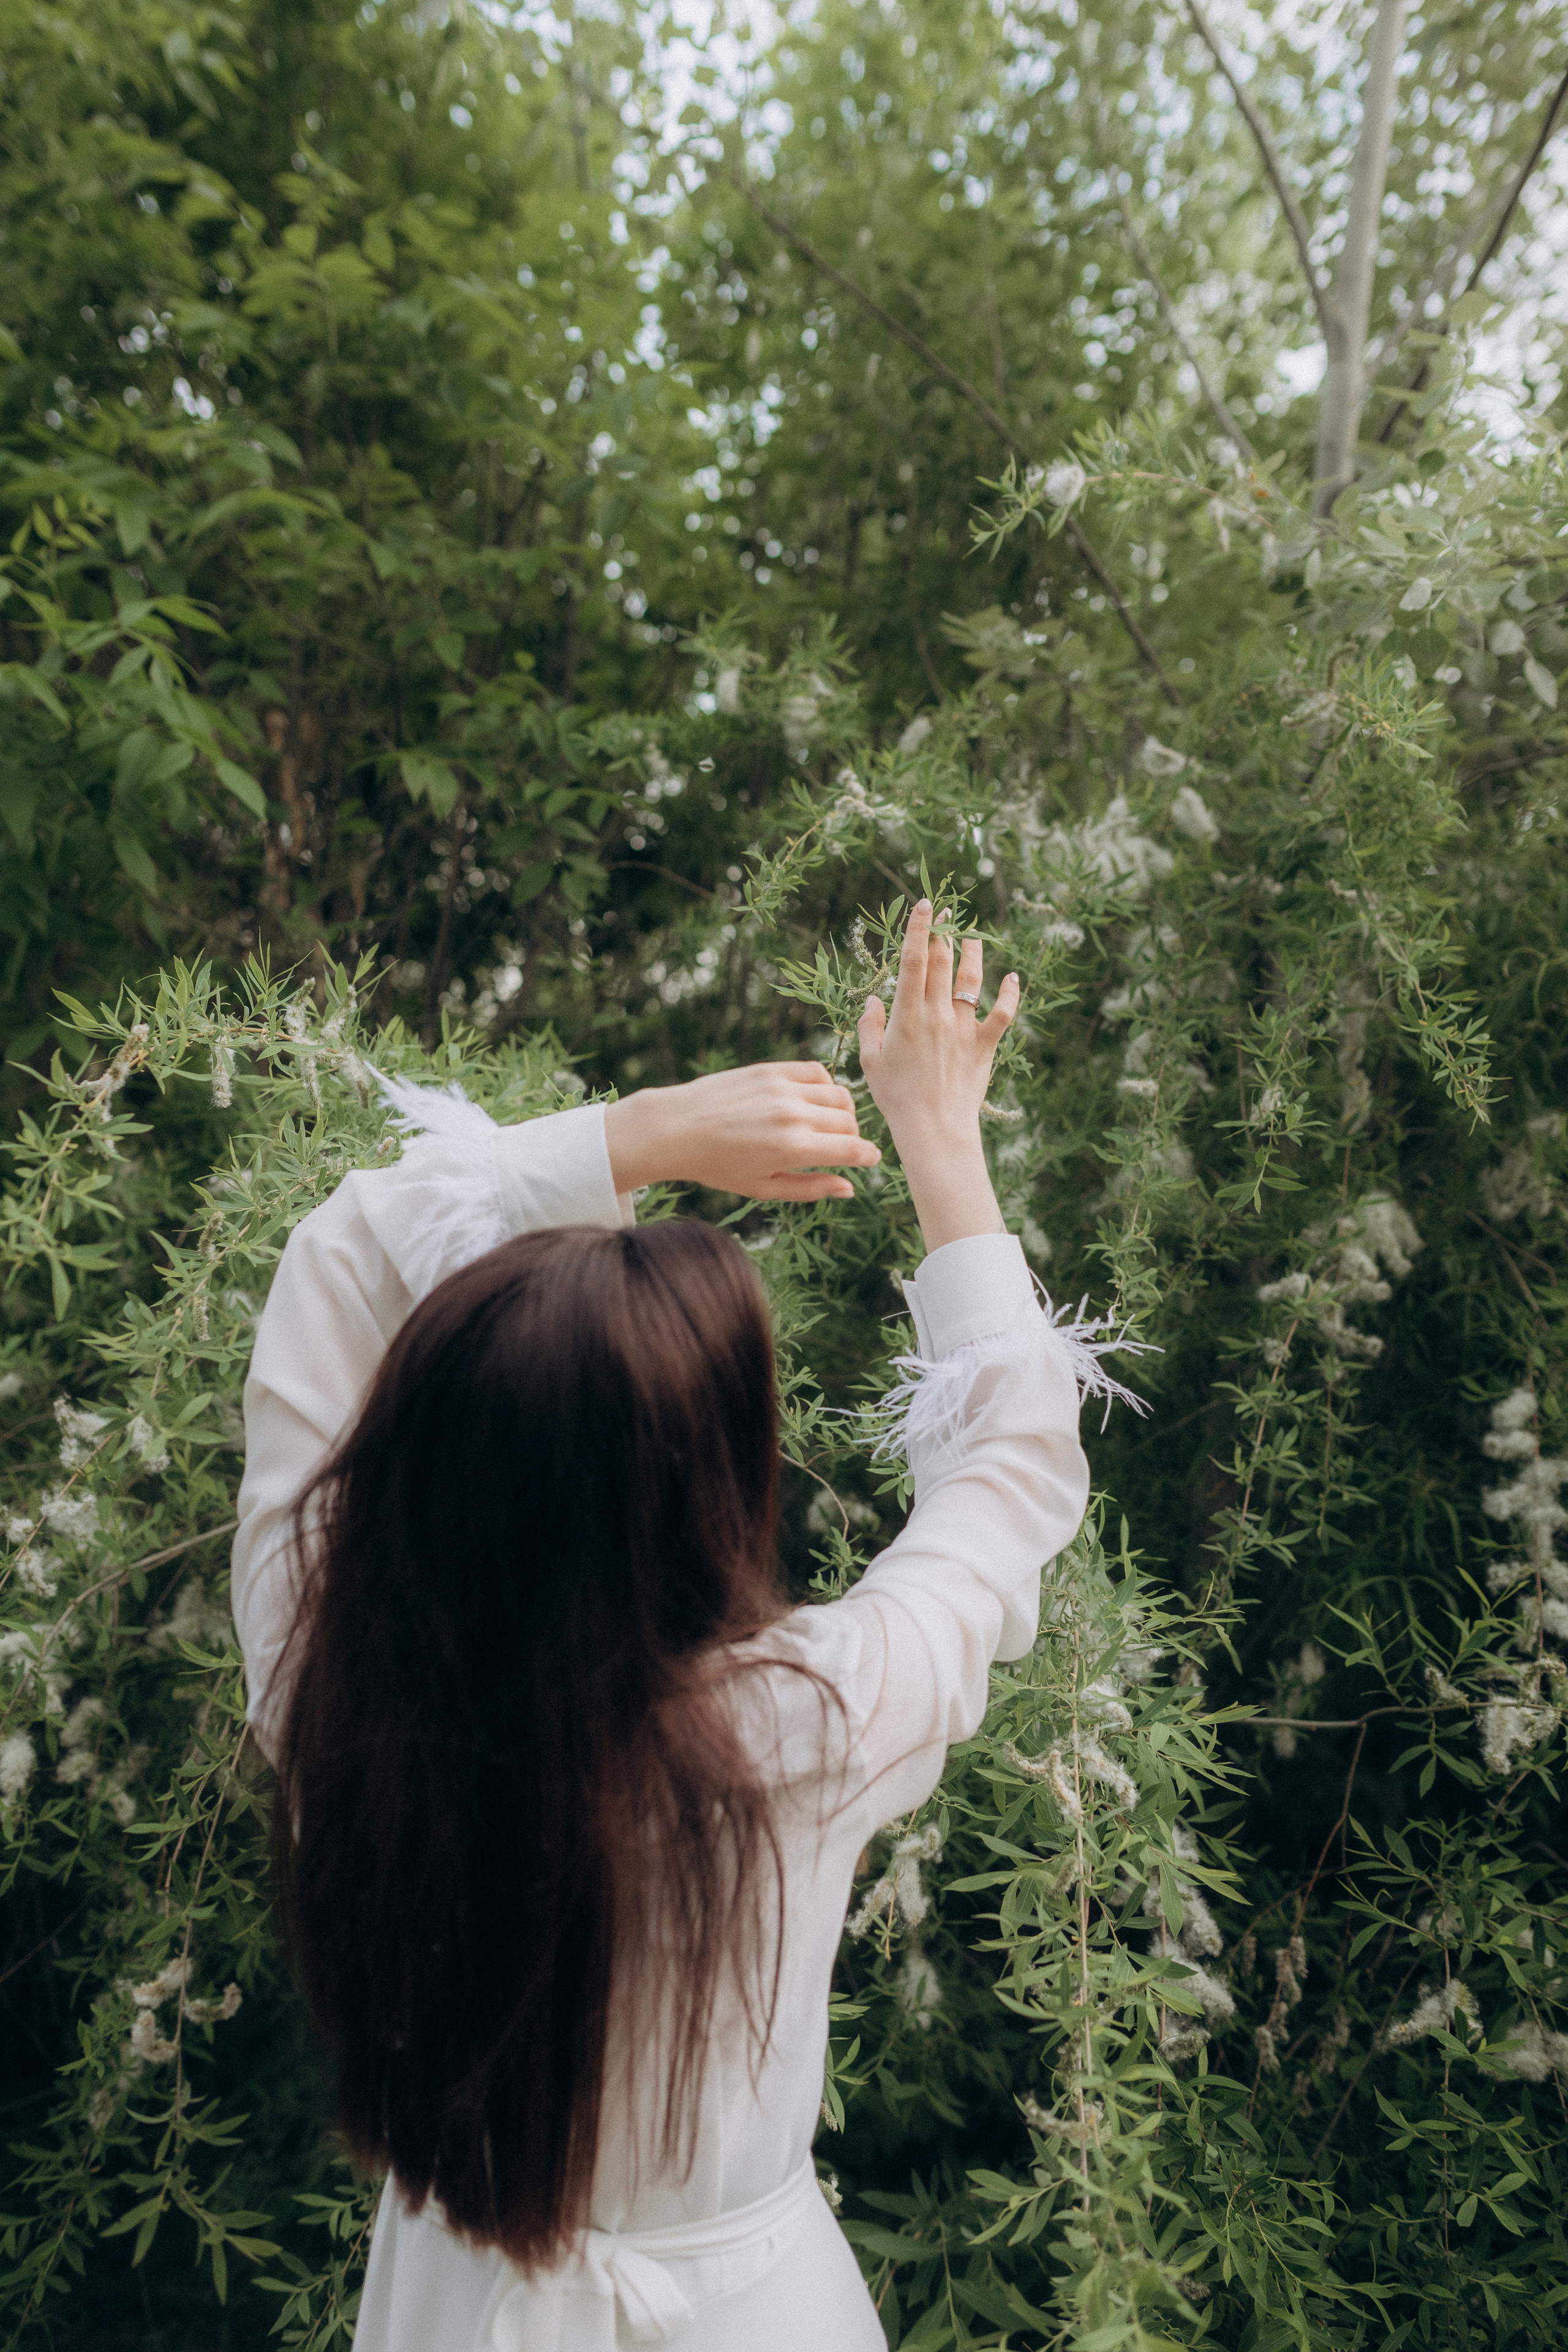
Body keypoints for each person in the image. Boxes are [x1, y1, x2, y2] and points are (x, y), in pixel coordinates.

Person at [232, 902, 1091, 2352]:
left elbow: (337, 1261)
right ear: (706, 1483)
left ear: (432, 1446)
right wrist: (942, 1141)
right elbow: (1010, 1472)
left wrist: (634, 1136)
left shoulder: (333, 1688)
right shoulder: (805, 1725)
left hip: (450, 2308)